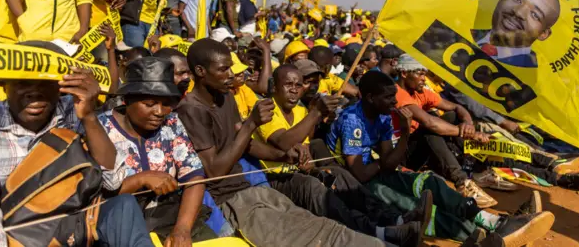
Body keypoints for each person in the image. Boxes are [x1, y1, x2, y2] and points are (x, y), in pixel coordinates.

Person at [175, 38, 386, 246]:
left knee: (319, 224)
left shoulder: (224, 97)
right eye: (223, 70)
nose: (231, 75)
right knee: (319, 236)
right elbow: (214, 171)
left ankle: (383, 229)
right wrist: (251, 124)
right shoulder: (192, 109)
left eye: (230, 68)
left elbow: (246, 145)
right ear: (201, 71)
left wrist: (285, 156)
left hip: (252, 188)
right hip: (230, 200)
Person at [326, 70, 555, 245]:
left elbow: (388, 161)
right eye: (388, 98)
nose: (395, 103)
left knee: (430, 183)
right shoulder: (352, 120)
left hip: (375, 171)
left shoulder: (384, 116)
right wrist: (384, 163)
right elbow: (360, 173)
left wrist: (404, 133)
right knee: (418, 208)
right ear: (370, 98)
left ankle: (494, 222)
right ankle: (484, 236)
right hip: (352, 182)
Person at [0, 41, 153, 246]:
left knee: (123, 206)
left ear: (61, 87)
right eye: (23, 82)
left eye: (45, 82)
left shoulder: (74, 109)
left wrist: (89, 116)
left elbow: (113, 181)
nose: (34, 91)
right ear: (5, 86)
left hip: (73, 227)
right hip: (20, 236)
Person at [253, 64, 430, 246]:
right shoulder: (266, 108)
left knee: (338, 176)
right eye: (288, 84)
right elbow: (283, 142)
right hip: (273, 178)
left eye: (298, 85)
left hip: (303, 170)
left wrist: (307, 159)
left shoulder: (300, 110)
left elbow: (303, 145)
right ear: (274, 86)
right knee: (322, 193)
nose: (294, 90)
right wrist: (316, 114)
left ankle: (396, 220)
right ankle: (382, 232)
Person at [98, 57, 214, 244]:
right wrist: (140, 179)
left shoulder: (172, 123)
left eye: (166, 103)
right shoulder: (100, 129)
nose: (160, 111)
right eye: (150, 104)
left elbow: (194, 177)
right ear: (127, 100)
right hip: (119, 224)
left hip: (169, 217)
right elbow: (92, 197)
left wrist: (182, 230)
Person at [393, 54, 498, 207]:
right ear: (404, 73)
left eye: (425, 74)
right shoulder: (397, 94)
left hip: (415, 146)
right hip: (398, 154)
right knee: (429, 129)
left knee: (451, 116)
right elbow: (430, 123)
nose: (424, 78)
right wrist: (472, 134)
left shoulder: (419, 91)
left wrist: (468, 124)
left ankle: (475, 168)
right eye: (419, 73)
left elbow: (457, 107)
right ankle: (462, 182)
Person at [471, 0, 561, 68]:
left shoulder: (530, 74)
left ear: (543, 34)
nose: (519, 13)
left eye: (535, 15)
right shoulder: (464, 33)